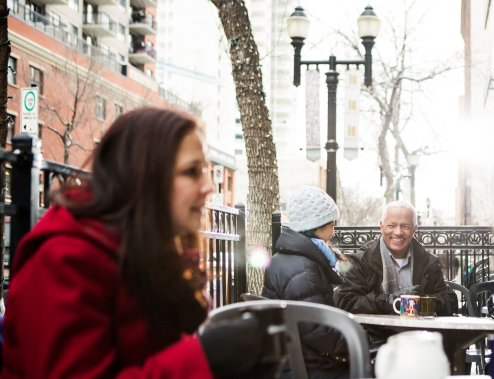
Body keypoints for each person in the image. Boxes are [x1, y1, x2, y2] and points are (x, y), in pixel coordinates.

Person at [2, 108, 270, 378]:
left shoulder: (154, 250)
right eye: (192, 171)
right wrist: (204, 358)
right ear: (143, 174)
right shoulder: (64, 260)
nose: (208, 186)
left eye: (205, 171)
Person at [262, 186, 348, 379]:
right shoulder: (305, 270)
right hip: (309, 367)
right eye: (332, 224)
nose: (333, 231)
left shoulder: (282, 258)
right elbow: (319, 332)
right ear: (318, 227)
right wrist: (358, 338)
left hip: (290, 362)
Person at [335, 200, 457, 316]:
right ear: (381, 226)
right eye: (391, 225)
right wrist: (392, 301)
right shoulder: (360, 261)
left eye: (405, 226)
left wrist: (420, 303)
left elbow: (450, 301)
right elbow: (346, 302)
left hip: (418, 334)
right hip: (373, 336)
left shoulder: (429, 262)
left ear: (415, 229)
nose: (398, 232)